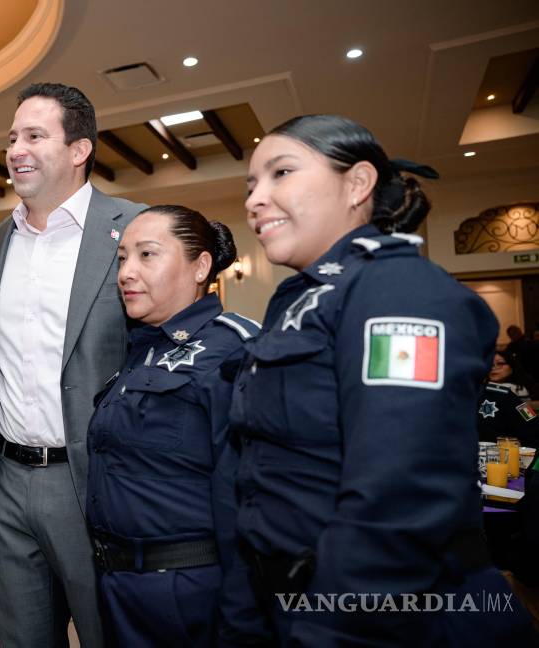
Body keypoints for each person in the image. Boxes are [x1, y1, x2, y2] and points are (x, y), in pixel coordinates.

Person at [224, 114, 535, 644]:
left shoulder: (399, 290)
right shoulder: (301, 299)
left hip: (386, 618)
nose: (255, 199)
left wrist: (331, 632)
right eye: (252, 184)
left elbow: (402, 495)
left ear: (358, 183)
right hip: (293, 598)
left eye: (281, 173)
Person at [0, 82, 146, 647]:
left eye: (34, 135)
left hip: (94, 480)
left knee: (109, 633)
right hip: (5, 480)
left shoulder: (136, 226)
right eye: (11, 138)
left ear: (80, 150)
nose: (15, 149)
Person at [85, 205, 260, 646]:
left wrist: (245, 613)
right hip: (120, 586)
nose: (126, 272)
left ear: (201, 266)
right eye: (122, 258)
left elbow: (253, 494)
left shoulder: (234, 348)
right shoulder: (138, 348)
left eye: (147, 255)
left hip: (189, 593)